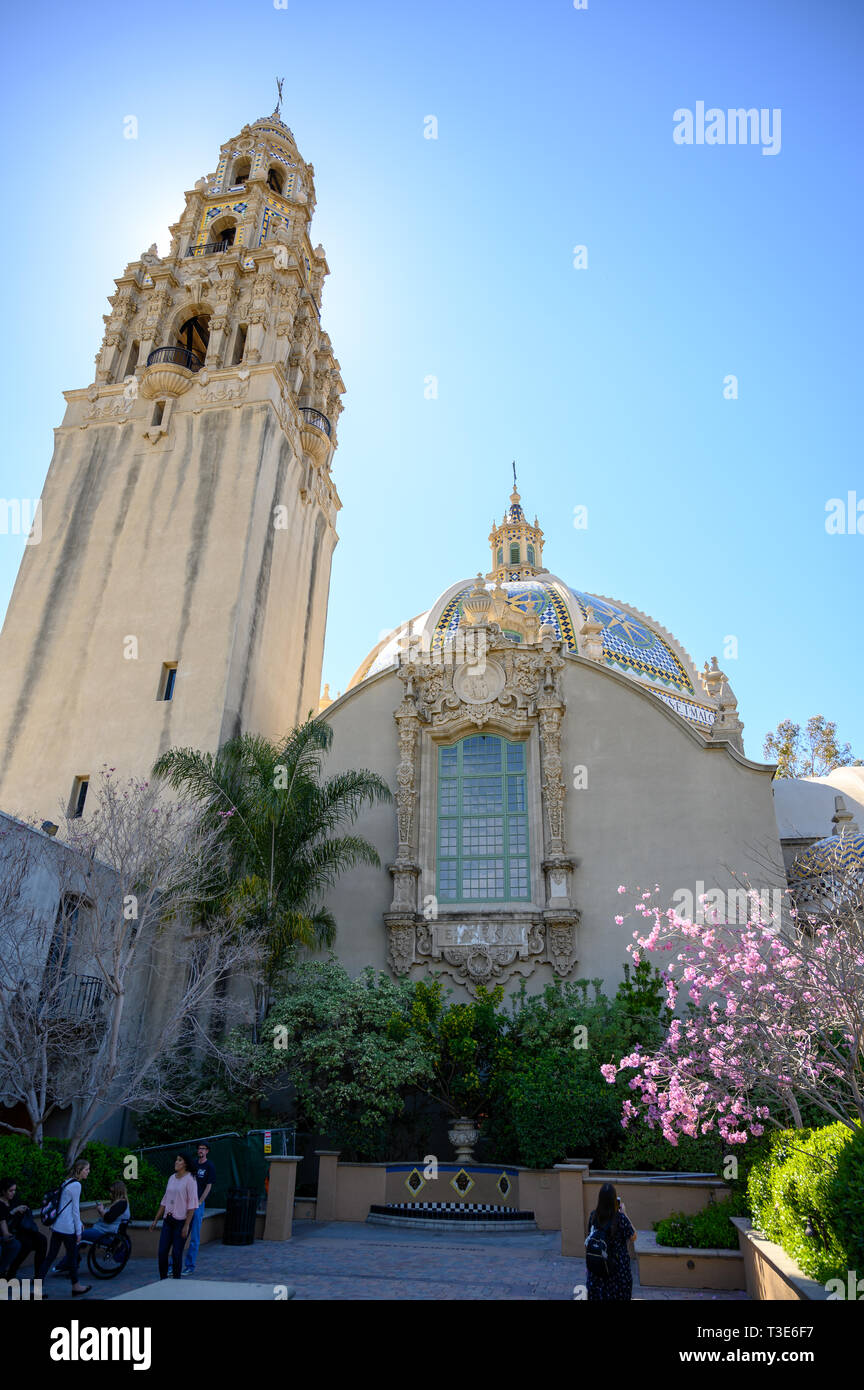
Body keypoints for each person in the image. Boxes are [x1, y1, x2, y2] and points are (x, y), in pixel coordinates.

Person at [38, 1159, 92, 1296]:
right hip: (68, 1228)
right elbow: (75, 1210)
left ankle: (35, 1288)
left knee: (50, 1257)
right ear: (80, 1170)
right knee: (72, 1257)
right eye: (86, 1169)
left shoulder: (67, 1181)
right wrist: (79, 1231)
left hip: (57, 1226)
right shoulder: (77, 1185)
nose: (88, 1172)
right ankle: (76, 1286)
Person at [53, 1179, 130, 1271]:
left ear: (117, 1192)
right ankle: (71, 1261)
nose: (109, 1194)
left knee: (78, 1236)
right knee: (79, 1237)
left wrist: (101, 1210)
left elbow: (109, 1218)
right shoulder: (119, 1203)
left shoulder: (121, 1204)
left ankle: (69, 1263)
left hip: (105, 1235)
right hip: (103, 1231)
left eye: (111, 1192)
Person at [585, 1181, 636, 1301]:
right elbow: (633, 1236)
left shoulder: (593, 1216)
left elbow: (589, 1237)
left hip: (597, 1270)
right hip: (618, 1271)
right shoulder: (620, 1218)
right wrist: (625, 1213)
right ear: (614, 1200)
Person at [150, 1154, 198, 1280]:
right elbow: (165, 1200)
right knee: (162, 1252)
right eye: (176, 1159)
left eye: (180, 1160)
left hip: (182, 1222)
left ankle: (176, 1281)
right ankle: (163, 1279)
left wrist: (186, 1225)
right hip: (168, 1220)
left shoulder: (190, 1179)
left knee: (176, 1253)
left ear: (185, 1164)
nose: (176, 1162)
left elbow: (192, 1205)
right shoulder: (172, 1177)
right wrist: (155, 1220)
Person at [0, 1176, 47, 1279]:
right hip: (12, 1232)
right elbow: (4, 1224)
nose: (13, 1193)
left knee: (42, 1240)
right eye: (10, 1190)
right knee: (27, 1244)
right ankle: (11, 1272)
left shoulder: (14, 1199)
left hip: (23, 1229)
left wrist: (24, 1209)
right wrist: (13, 1211)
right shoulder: (0, 1204)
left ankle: (39, 1277)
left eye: (14, 1190)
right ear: (3, 1191)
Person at [183, 1142, 215, 1275]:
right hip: (186, 1203)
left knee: (195, 1238)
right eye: (199, 1148)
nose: (200, 1151)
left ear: (207, 1151)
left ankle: (190, 1266)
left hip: (198, 1205)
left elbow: (209, 1186)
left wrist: (200, 1201)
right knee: (180, 1235)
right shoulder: (193, 1165)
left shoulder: (209, 1166)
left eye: (203, 1149)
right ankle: (173, 1265)